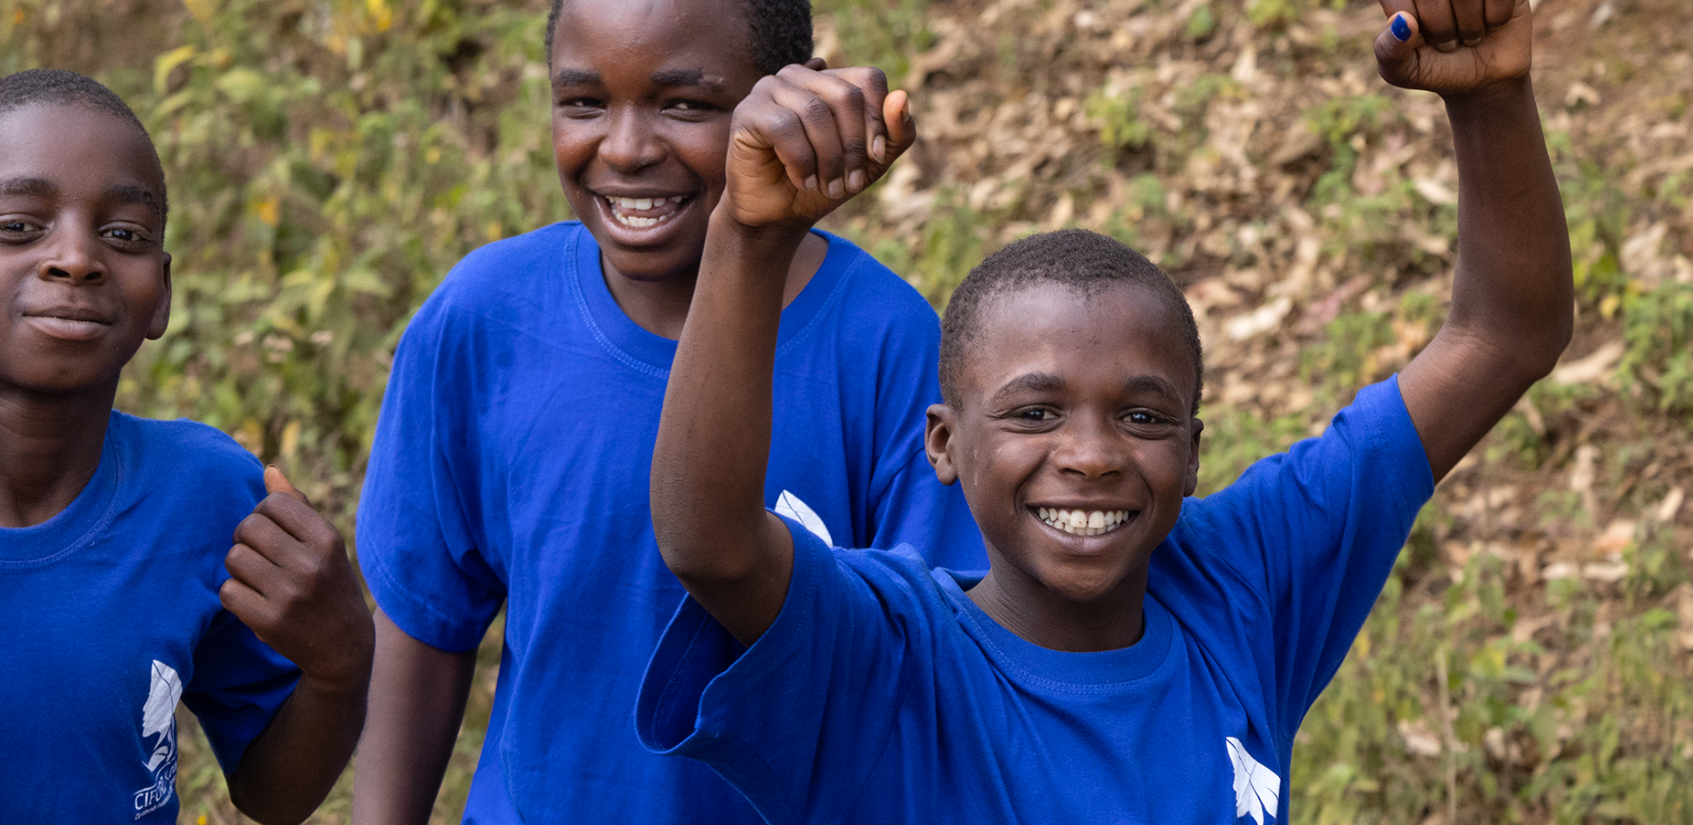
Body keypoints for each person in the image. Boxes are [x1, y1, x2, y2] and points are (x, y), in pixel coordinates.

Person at [637, 0, 1573, 821]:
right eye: (1034, 413)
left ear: (1195, 449)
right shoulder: (884, 657)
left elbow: (1504, 338)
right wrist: (748, 239)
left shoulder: (1240, 588)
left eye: (1143, 417)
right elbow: (707, 542)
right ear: (944, 444)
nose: (1090, 454)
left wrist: (1488, 95)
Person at [349, 0, 984, 821]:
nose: (624, 147)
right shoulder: (486, 318)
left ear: (799, 100)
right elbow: (425, 627)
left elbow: (929, 674)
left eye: (685, 104)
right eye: (583, 102)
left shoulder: (886, 346)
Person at [0, 69, 371, 824]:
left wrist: (340, 664)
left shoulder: (206, 494)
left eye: (124, 234)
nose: (76, 257)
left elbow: (272, 793)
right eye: (18, 225)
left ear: (161, 292)